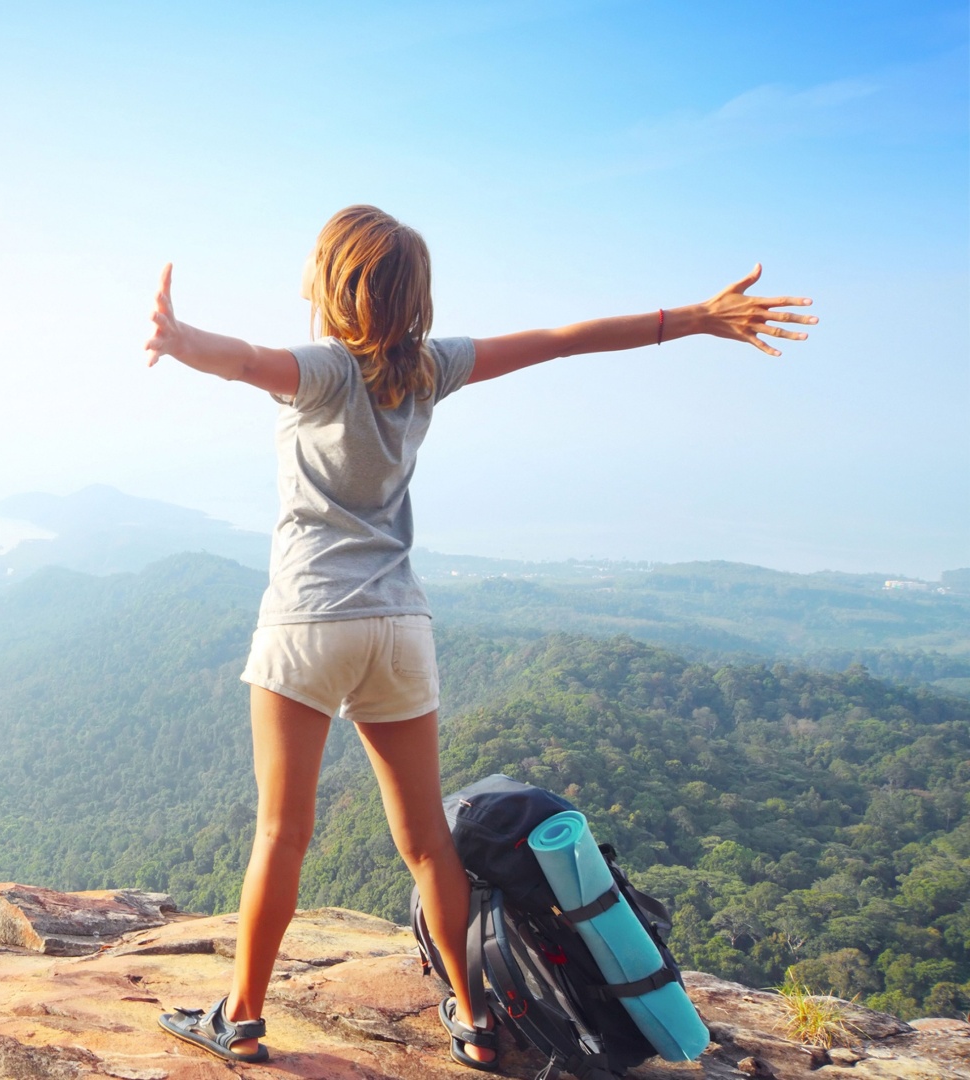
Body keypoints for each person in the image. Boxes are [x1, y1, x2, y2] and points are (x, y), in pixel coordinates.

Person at [147, 205, 814, 1067]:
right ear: (414, 297)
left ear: (331, 285)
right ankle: (475, 1019)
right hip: (398, 625)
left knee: (282, 833)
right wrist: (693, 319)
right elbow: (560, 339)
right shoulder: (430, 369)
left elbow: (240, 360)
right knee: (426, 840)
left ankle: (239, 1016)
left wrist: (179, 335)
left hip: (310, 619)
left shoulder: (320, 370)